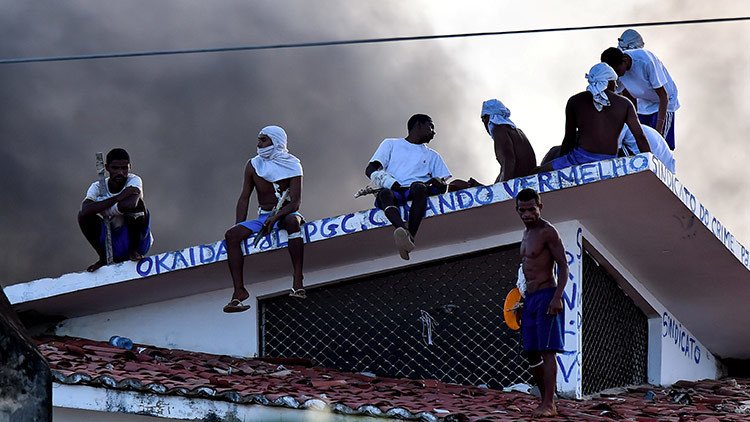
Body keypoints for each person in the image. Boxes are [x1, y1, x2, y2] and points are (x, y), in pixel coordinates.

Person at [223, 125, 305, 313]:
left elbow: (295, 203)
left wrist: (276, 218)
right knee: (231, 236)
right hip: (263, 216)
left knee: (293, 223)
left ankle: (298, 281)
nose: (259, 144)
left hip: (286, 214)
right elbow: (244, 198)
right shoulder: (253, 165)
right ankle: (239, 292)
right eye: (259, 139)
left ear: (276, 142)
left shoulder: (292, 164)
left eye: (263, 140)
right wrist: (240, 225)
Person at [365, 114, 451, 260]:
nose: (433, 132)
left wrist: (440, 183)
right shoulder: (391, 144)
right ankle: (403, 232)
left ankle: (410, 236)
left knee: (418, 187)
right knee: (385, 194)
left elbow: (443, 186)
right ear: (418, 125)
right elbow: (370, 169)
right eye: (431, 126)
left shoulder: (433, 156)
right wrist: (389, 182)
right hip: (395, 190)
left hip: (417, 190)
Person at [537, 63, 650, 172]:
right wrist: (650, 162)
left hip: (578, 159)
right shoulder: (625, 104)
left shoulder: (575, 101)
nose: (616, 86)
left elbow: (569, 138)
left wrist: (562, 164)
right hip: (610, 161)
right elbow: (640, 137)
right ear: (608, 82)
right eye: (615, 82)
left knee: (535, 172)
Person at [515, 188, 568, 418]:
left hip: (548, 295)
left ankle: (549, 404)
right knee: (531, 351)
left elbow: (564, 267)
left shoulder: (548, 232)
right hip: (530, 299)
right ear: (517, 210)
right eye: (523, 210)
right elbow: (526, 270)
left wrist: (557, 297)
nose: (527, 214)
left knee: (548, 351)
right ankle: (544, 398)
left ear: (540, 207)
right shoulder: (525, 235)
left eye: (532, 209)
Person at [79, 148, 153, 272]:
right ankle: (103, 257)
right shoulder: (97, 187)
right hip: (111, 242)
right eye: (115, 168)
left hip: (136, 240)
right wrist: (119, 197)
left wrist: (101, 208)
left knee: (139, 205)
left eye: (124, 168)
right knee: (82, 217)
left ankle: (133, 251)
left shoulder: (134, 180)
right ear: (107, 168)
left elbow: (130, 204)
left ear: (130, 167)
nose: (120, 173)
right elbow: (85, 210)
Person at [601, 47, 679, 150]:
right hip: (643, 103)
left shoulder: (645, 62)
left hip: (664, 102)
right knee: (639, 144)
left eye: (618, 71)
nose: (618, 76)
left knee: (658, 145)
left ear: (625, 60)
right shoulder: (616, 70)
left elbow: (663, 96)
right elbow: (611, 96)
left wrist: (658, 131)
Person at [480, 99, 537, 183]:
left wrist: (503, 187)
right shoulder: (518, 132)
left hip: (519, 185)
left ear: (487, 117)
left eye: (483, 119)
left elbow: (509, 160)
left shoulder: (499, 130)